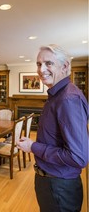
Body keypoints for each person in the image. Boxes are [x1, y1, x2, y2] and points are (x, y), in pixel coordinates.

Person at [16, 44, 88, 211]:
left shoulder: (68, 99)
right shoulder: (57, 95)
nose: (42, 70)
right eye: (39, 64)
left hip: (58, 187)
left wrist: (33, 146)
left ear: (65, 66)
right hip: (53, 183)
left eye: (49, 63)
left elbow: (78, 157)